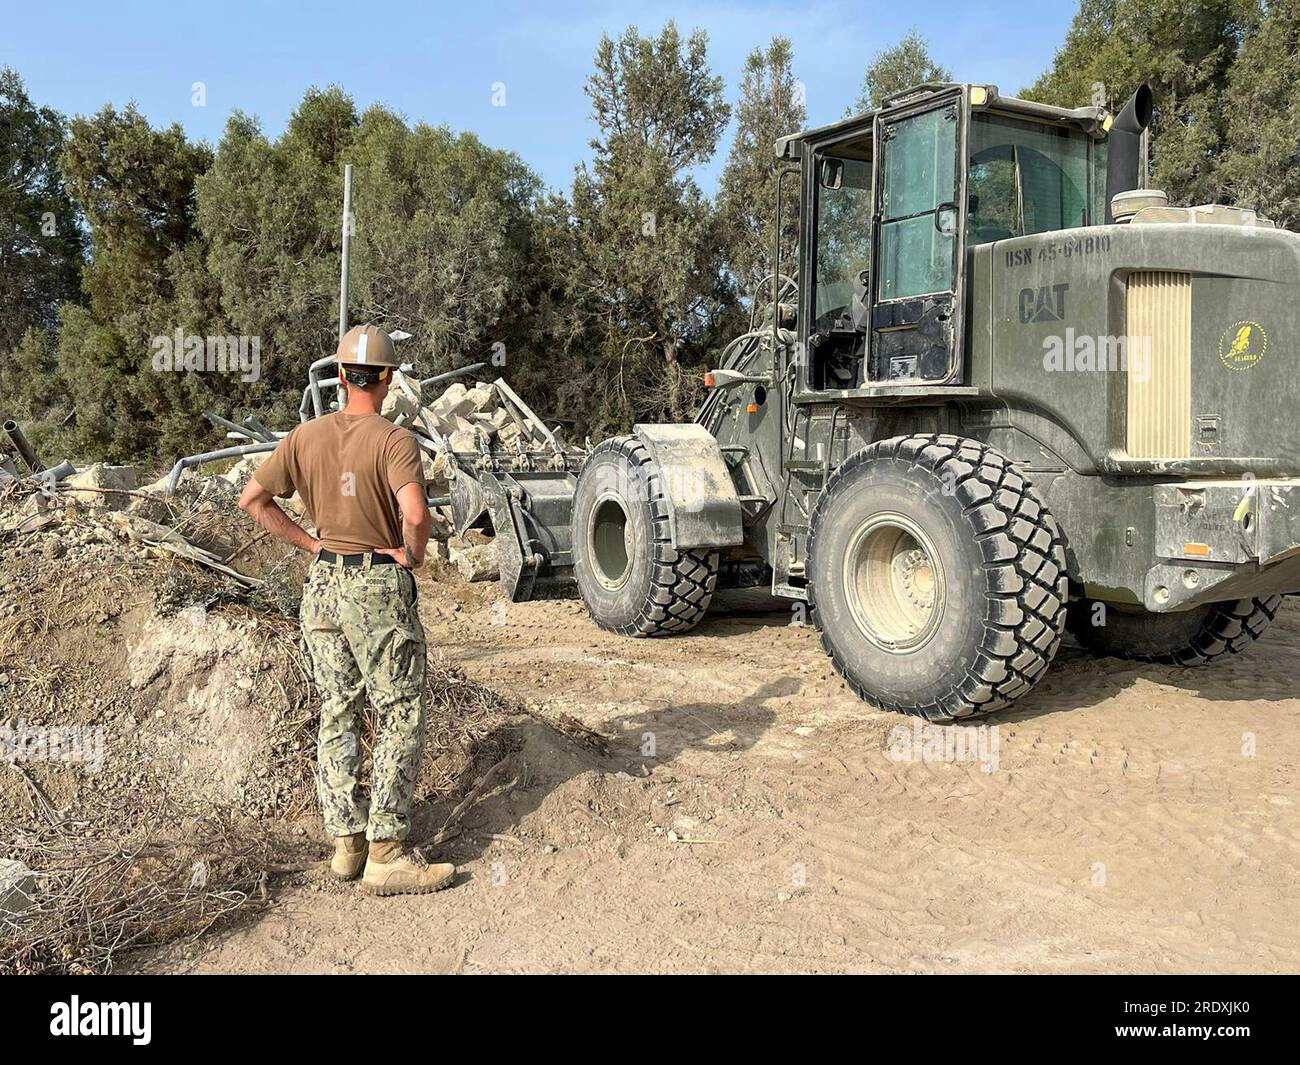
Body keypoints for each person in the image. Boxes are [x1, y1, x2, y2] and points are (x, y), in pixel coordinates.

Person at [238, 324, 451, 896]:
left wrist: (312, 544)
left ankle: (346, 844)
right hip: (376, 587)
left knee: (338, 708)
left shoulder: (304, 437)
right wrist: (414, 556)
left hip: (323, 585)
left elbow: (252, 500)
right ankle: (387, 850)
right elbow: (416, 513)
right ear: (387, 379)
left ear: (339, 375)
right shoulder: (394, 440)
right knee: (399, 708)